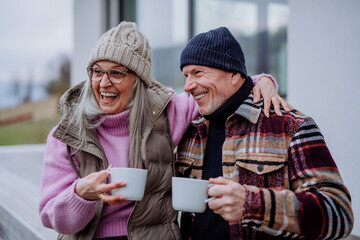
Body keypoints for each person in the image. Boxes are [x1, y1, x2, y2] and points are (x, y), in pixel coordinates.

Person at [39, 22, 287, 240]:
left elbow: (225, 85)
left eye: (117, 73)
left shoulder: (165, 113)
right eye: (97, 71)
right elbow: (52, 218)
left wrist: (264, 81)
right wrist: (81, 194)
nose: (104, 83)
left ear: (139, 81)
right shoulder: (66, 135)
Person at [176, 26, 354, 240]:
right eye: (186, 75)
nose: (187, 86)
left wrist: (251, 204)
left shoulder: (290, 127)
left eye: (198, 72)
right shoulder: (191, 130)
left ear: (233, 74)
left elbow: (339, 214)